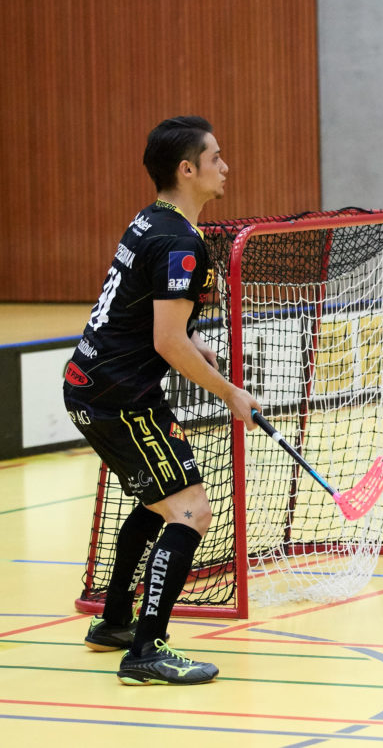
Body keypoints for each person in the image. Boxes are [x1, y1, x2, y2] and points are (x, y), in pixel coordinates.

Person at [64, 116, 260, 685]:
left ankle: (115, 623)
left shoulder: (152, 220)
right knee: (192, 510)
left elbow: (147, 314)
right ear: (187, 169)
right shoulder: (180, 242)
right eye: (216, 157)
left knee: (158, 503)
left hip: (92, 384)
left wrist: (191, 339)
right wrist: (231, 395)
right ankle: (146, 650)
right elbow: (165, 341)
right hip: (120, 396)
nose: (225, 166)